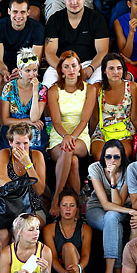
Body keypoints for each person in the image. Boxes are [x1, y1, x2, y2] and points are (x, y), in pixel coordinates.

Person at [85, 141, 134, 273]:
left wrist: (113, 180)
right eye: (108, 157)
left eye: (116, 157)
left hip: (119, 209)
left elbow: (118, 203)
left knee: (112, 218)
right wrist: (131, 211)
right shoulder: (95, 168)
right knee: (112, 220)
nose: (112, 161)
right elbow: (105, 205)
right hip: (97, 208)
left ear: (122, 158)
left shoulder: (128, 170)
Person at [46, 51, 94, 202]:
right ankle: (76, 202)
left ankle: (57, 197)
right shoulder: (54, 90)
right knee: (72, 160)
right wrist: (65, 136)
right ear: (61, 70)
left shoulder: (90, 89)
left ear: (80, 67)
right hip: (58, 135)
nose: (71, 70)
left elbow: (84, 120)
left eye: (74, 66)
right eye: (66, 67)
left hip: (80, 136)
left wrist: (71, 137)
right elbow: (56, 122)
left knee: (68, 148)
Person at [43, 0, 108, 89]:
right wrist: (63, 68)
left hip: (89, 63)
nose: (74, 2)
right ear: (64, 0)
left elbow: (103, 51)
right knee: (47, 89)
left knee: (97, 87)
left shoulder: (96, 18)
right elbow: (50, 52)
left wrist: (91, 68)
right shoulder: (55, 19)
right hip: (61, 64)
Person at [0, 123, 46, 247]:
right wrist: (23, 188)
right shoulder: (4, 154)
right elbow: (2, 179)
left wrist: (28, 164)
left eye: (25, 143)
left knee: (21, 232)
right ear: (10, 142)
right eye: (18, 143)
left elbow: (39, 190)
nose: (22, 147)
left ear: (30, 141)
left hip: (32, 206)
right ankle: (2, 265)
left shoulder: (37, 156)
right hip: (8, 206)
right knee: (2, 236)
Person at [91, 54, 137, 160]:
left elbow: (135, 117)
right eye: (111, 68)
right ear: (104, 70)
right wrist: (91, 136)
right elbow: (94, 117)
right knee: (101, 156)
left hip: (125, 131)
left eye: (119, 68)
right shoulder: (96, 88)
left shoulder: (133, 87)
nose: (116, 72)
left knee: (117, 156)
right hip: (102, 131)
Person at [0, 0, 44, 98]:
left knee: (31, 79)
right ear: (9, 11)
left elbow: (35, 59)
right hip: (6, 63)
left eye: (23, 12)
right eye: (15, 12)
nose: (19, 16)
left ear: (28, 12)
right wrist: (5, 72)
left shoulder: (37, 28)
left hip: (27, 65)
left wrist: (22, 72)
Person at [0, 48, 46, 152]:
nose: (32, 74)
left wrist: (35, 92)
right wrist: (27, 121)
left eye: (35, 70)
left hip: (32, 131)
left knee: (33, 153)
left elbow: (34, 118)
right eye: (27, 71)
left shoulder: (42, 89)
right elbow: (5, 120)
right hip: (12, 129)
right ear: (20, 71)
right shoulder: (9, 87)